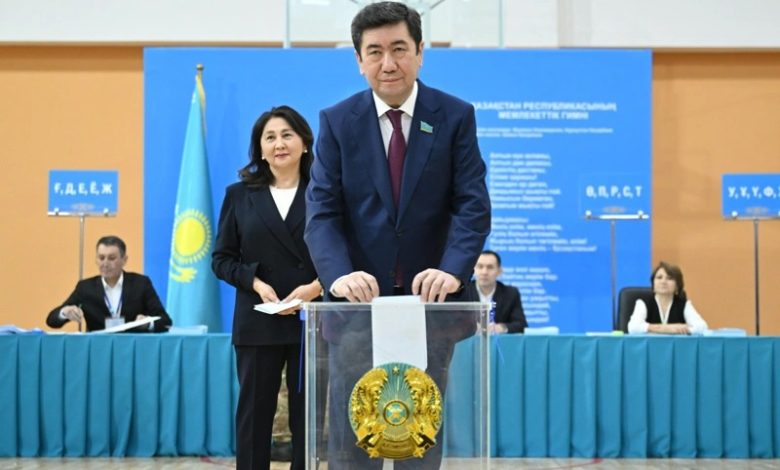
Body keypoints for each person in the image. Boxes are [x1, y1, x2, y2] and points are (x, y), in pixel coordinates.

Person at [304, 2, 491, 468]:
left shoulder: (454, 116)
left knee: (418, 442)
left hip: (431, 308)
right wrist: (339, 276)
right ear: (359, 59)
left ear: (420, 52)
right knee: (353, 441)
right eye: (375, 52)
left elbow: (472, 205)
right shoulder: (337, 121)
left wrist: (452, 270)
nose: (388, 63)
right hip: (356, 311)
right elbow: (322, 212)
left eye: (399, 49)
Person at [212, 105, 322, 470]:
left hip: (311, 317)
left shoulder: (325, 193)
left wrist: (315, 288)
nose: (279, 144)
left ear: (305, 143)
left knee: (308, 416)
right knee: (254, 415)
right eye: (270, 137)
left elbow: (346, 252)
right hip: (258, 318)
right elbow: (222, 259)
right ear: (260, 149)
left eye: (287, 135)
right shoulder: (239, 195)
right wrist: (256, 283)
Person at [46, 235, 172, 333]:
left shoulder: (140, 284)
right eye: (101, 258)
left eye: (111, 258)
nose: (105, 264)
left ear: (124, 260)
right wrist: (64, 312)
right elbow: (51, 321)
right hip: (98, 349)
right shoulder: (85, 288)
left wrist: (148, 323)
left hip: (133, 348)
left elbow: (166, 321)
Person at [627, 261, 708, 335]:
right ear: (653, 284)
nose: (663, 282)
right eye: (659, 277)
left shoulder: (684, 304)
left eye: (669, 278)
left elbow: (702, 327)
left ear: (677, 286)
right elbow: (633, 327)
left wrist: (652, 328)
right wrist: (670, 328)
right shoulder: (643, 302)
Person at [465, 250, 527, 334]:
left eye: (490, 267)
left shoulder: (510, 293)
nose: (484, 272)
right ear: (473, 270)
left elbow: (521, 325)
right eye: (480, 266)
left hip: (498, 341)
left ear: (499, 271)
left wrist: (501, 328)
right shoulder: (464, 291)